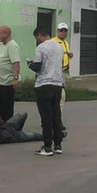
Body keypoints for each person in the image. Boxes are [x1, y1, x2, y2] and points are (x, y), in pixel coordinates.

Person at [29, 27, 65, 156]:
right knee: (56, 115)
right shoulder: (59, 47)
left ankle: (47, 147)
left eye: (36, 38)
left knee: (46, 117)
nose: (37, 41)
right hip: (57, 84)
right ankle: (58, 145)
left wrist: (30, 65)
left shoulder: (41, 48)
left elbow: (38, 67)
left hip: (44, 84)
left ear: (40, 35)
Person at [0, 25, 21, 120]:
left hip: (7, 82)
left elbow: (16, 63)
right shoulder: (1, 44)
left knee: (7, 106)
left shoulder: (12, 46)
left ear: (6, 33)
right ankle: (3, 122)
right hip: (0, 81)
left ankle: (8, 127)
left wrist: (15, 79)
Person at [54, 22, 73, 135]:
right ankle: (57, 121)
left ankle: (57, 119)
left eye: (65, 30)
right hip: (57, 73)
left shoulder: (66, 43)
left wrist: (69, 55)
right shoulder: (54, 42)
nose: (63, 32)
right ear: (57, 31)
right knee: (60, 97)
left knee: (60, 97)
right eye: (61, 30)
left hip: (64, 72)